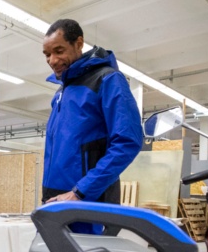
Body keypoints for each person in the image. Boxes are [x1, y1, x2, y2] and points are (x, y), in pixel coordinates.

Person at [41, 19, 143, 233]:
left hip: (90, 204)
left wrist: (79, 192)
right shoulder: (61, 93)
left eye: (59, 51)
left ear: (79, 43)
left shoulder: (107, 80)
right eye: (47, 54)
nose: (52, 60)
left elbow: (127, 142)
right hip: (56, 201)